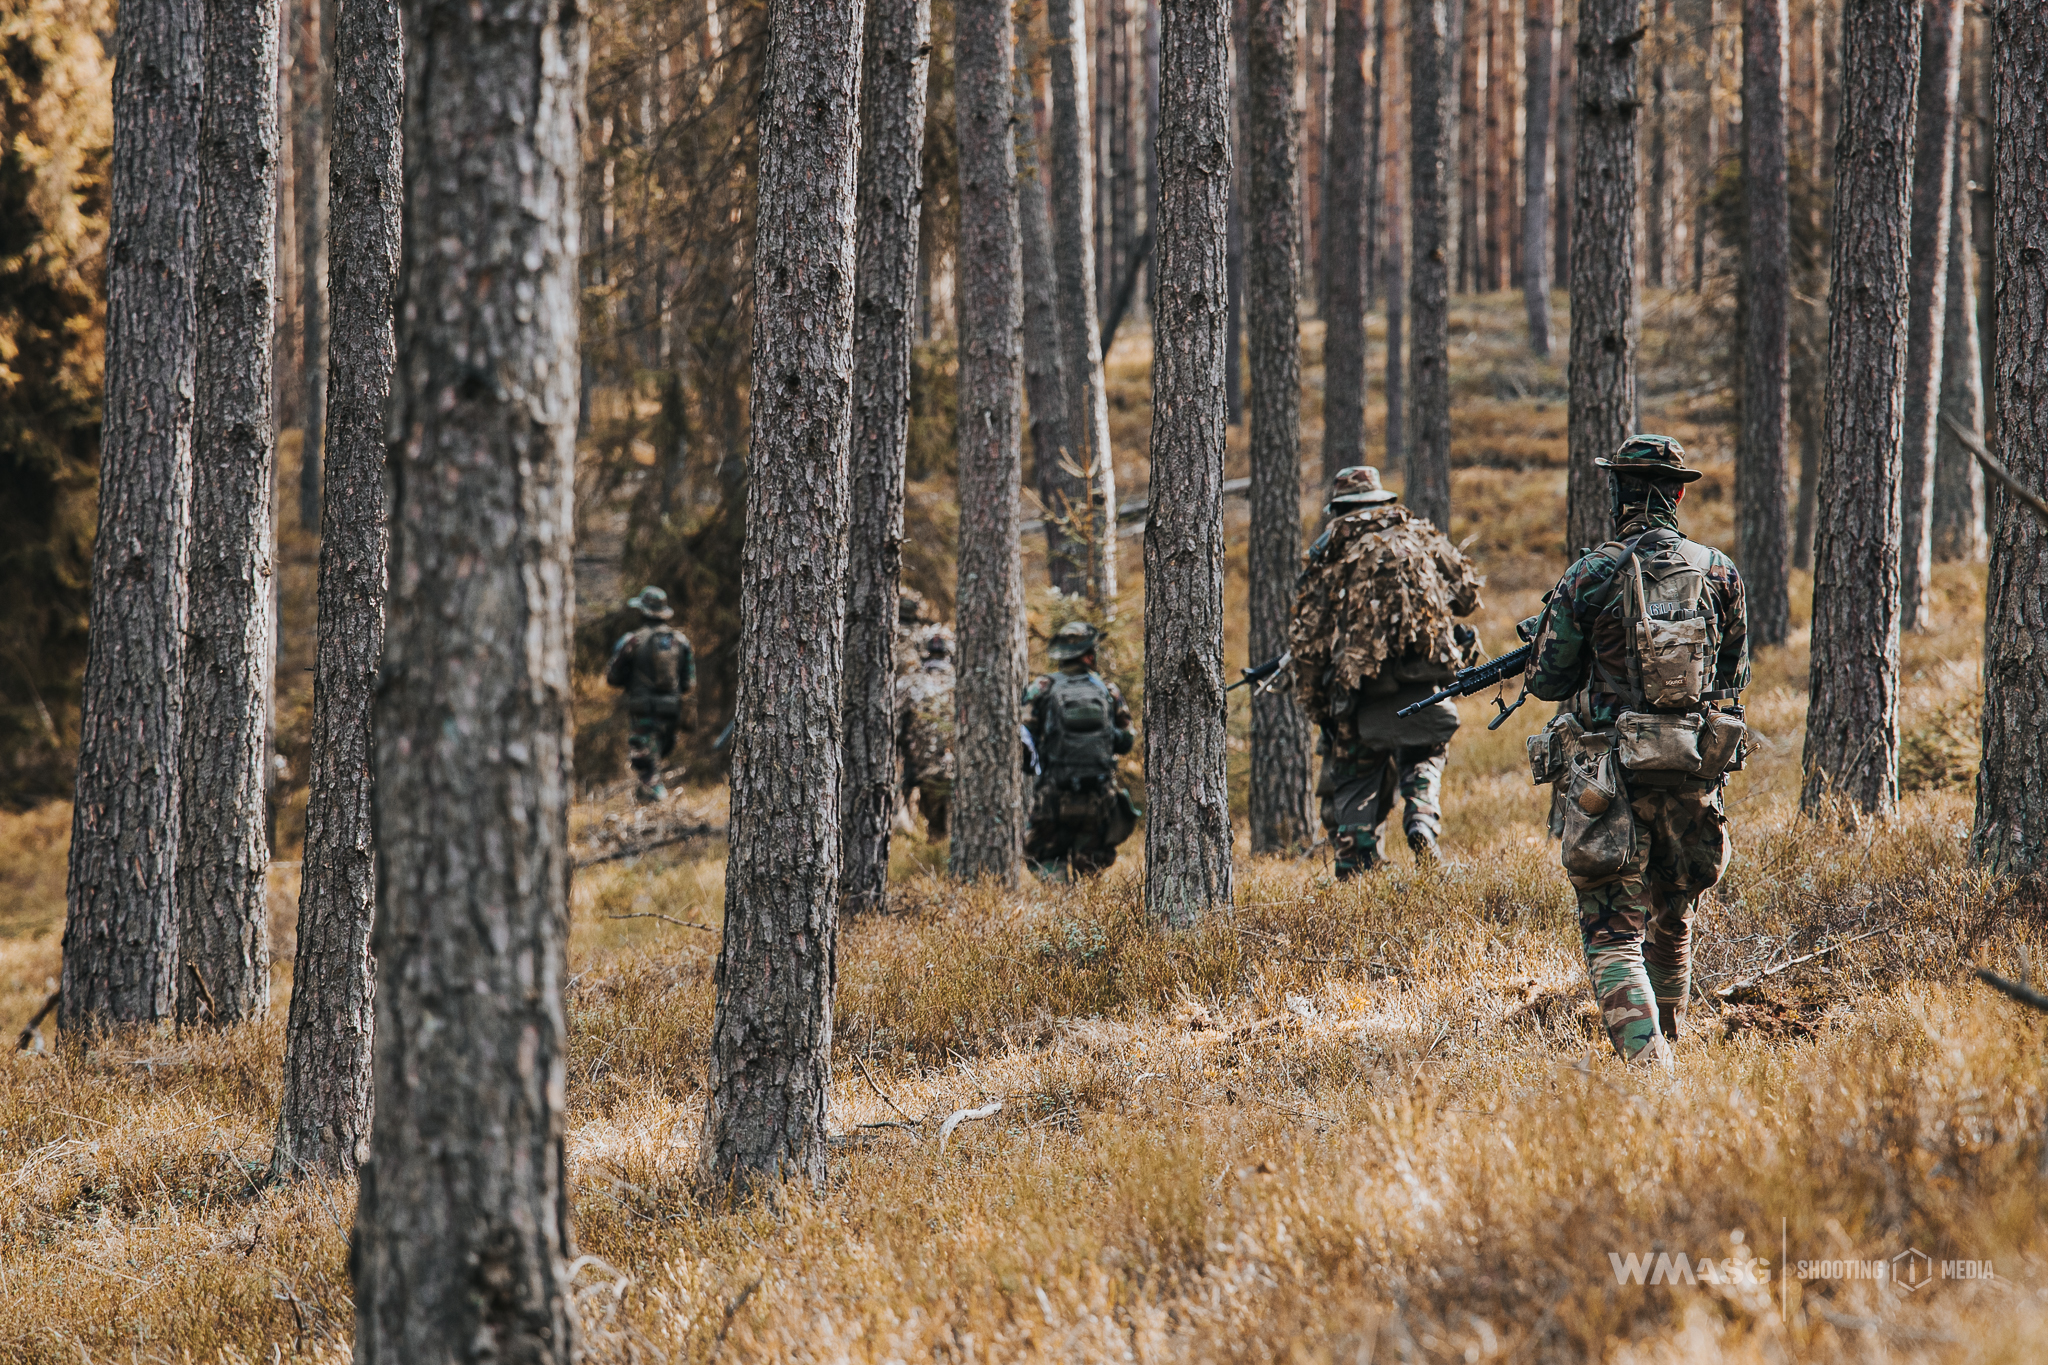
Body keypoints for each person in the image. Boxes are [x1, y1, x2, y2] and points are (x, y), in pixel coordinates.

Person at [1522, 435, 1749, 1071]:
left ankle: (1650, 1070)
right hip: (1692, 768)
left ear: (1618, 492)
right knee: (1673, 911)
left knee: (1613, 934)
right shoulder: (1719, 571)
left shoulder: (1593, 573)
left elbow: (1546, 681)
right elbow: (1735, 678)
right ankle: (1670, 1039)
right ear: (1678, 493)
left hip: (1609, 778)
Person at [1290, 465, 1484, 875]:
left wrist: (1317, 706)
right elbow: (1467, 595)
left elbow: (1308, 641)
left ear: (1339, 507)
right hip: (1425, 686)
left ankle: (1358, 862)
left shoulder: (1331, 551)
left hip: (1359, 694)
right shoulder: (1419, 536)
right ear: (1382, 501)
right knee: (1425, 755)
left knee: (1356, 780)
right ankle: (1421, 816)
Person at [1023, 622, 1139, 878]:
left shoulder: (1041, 688)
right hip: (1098, 796)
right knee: (1091, 867)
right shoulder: (1109, 691)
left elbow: (1024, 740)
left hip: (1054, 793)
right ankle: (1087, 910)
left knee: (1046, 857)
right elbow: (1127, 742)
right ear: (1088, 655)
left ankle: (1060, 903)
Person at [605, 586, 695, 802]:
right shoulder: (681, 641)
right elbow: (689, 683)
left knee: (647, 769)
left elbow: (612, 677)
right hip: (671, 713)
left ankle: (660, 808)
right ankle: (648, 808)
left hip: (643, 713)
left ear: (643, 611)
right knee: (653, 764)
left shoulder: (632, 641)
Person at [894, 626, 957, 836]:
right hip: (955, 771)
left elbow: (893, 728)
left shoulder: (908, 683)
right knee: (945, 835)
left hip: (917, 773)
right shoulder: (962, 683)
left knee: (917, 835)